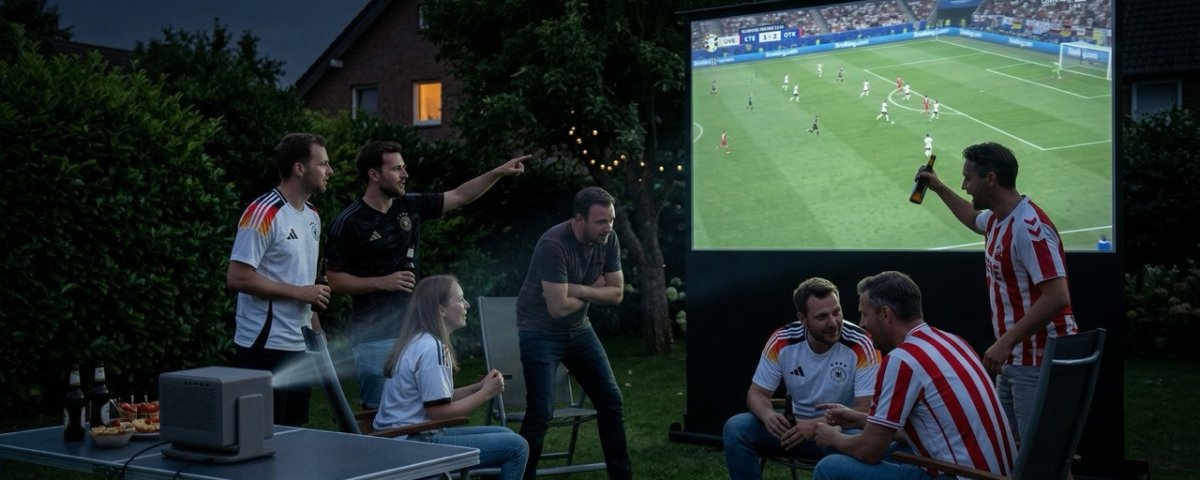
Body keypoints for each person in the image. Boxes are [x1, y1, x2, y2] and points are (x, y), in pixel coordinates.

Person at [327, 140, 528, 409]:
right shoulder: (349, 221)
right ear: (373, 174)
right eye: (397, 169)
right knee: (378, 415)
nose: (405, 174)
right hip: (375, 338)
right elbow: (333, 279)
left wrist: (498, 172)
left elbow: (460, 195)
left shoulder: (409, 205)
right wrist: (382, 282)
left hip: (416, 333)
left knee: (424, 408)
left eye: (404, 167)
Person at [918, 142, 1078, 442]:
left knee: (1036, 452)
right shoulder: (996, 219)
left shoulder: (1029, 228)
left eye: (968, 178)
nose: (964, 186)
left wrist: (1005, 342)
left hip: (1038, 360)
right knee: (1006, 447)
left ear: (990, 179)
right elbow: (971, 217)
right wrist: (938, 187)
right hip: (1014, 360)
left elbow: (1057, 297)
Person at [812, 271, 1017, 479]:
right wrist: (861, 419)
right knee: (894, 449)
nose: (862, 323)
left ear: (885, 314)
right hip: (998, 474)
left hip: (960, 475)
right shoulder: (953, 341)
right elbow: (932, 430)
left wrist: (832, 438)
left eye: (865, 315)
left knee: (829, 468)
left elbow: (869, 450)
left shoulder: (902, 360)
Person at [516, 186, 630, 479]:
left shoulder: (608, 239)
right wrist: (594, 289)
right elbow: (558, 308)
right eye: (601, 221)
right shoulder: (553, 244)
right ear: (579, 220)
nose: (608, 227)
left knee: (611, 401)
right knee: (541, 411)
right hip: (539, 332)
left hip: (579, 329)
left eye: (611, 220)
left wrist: (578, 289)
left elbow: (617, 293)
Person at [723, 278, 880, 480]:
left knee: (857, 443)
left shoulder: (862, 343)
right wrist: (768, 415)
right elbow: (757, 393)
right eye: (822, 317)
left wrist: (815, 424)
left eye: (836, 312)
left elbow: (864, 410)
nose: (833, 323)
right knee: (736, 428)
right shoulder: (782, 339)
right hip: (792, 429)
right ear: (803, 319)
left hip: (839, 430)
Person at [374, 275, 529, 480]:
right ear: (441, 310)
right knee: (517, 447)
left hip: (401, 439)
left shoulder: (419, 341)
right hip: (414, 445)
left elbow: (437, 398)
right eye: (461, 299)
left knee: (506, 435)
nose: (467, 305)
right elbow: (439, 412)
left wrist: (479, 386)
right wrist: (485, 393)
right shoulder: (432, 348)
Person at [226, 132, 333, 426]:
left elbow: (305, 282)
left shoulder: (312, 215)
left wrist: (317, 330)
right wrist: (300, 293)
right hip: (264, 347)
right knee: (260, 435)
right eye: (323, 163)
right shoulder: (263, 212)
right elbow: (237, 277)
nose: (330, 171)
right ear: (299, 168)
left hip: (300, 345)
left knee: (296, 434)